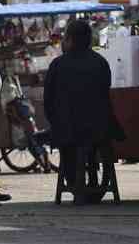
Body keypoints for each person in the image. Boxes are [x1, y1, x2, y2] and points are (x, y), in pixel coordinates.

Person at [43, 20, 124, 204]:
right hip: (99, 127)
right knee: (93, 136)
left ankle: (74, 185)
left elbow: (48, 101)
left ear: (70, 40)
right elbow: (105, 93)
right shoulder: (101, 62)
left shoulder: (57, 65)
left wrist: (55, 122)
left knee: (68, 146)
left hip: (68, 128)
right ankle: (94, 183)